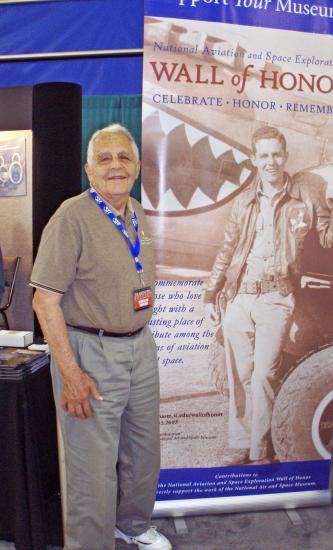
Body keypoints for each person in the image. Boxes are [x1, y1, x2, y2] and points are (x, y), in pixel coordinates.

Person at [31, 124, 172, 550]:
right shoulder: (71, 217)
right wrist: (71, 373)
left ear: (138, 167)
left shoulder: (136, 212)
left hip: (139, 347)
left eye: (124, 158)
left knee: (143, 452)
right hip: (89, 351)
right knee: (90, 468)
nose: (116, 166)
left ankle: (131, 526)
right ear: (88, 170)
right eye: (105, 159)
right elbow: (44, 302)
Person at [204, 125, 333, 466]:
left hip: (277, 298)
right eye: (264, 155)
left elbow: (328, 242)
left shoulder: (307, 195)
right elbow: (227, 249)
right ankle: (241, 444)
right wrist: (211, 295)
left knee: (265, 373)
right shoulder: (245, 201)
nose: (271, 161)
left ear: (285, 156)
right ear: (254, 159)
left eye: (276, 154)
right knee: (241, 374)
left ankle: (259, 451)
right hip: (241, 296)